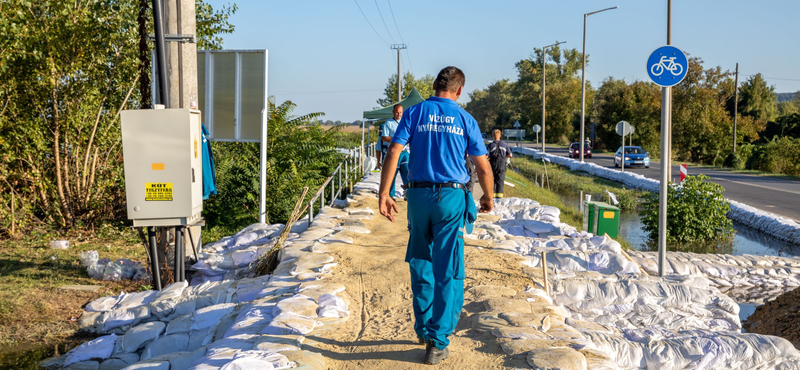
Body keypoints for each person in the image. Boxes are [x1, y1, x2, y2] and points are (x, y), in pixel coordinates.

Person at [379, 66, 494, 365]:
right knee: (449, 268)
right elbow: (483, 167)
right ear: (459, 91)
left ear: (433, 86)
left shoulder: (415, 114)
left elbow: (393, 151)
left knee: (420, 259)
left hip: (417, 196)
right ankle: (437, 342)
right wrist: (488, 198)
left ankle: (422, 327)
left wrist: (385, 193)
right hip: (451, 199)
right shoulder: (465, 119)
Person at [380, 104, 409, 198]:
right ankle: (391, 196)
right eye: (397, 112)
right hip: (394, 151)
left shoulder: (405, 121)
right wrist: (396, 139)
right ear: (393, 112)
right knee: (392, 174)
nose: (399, 114)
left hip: (404, 152)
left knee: (408, 172)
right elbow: (384, 137)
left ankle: (408, 194)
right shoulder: (388, 123)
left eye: (400, 112)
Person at [487, 129, 512, 198]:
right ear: (500, 136)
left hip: (493, 164)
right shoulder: (504, 144)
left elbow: (486, 156)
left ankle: (492, 197)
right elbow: (510, 155)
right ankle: (499, 198)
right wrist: (504, 156)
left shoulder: (490, 145)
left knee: (492, 180)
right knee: (500, 181)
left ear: (493, 136)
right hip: (502, 164)